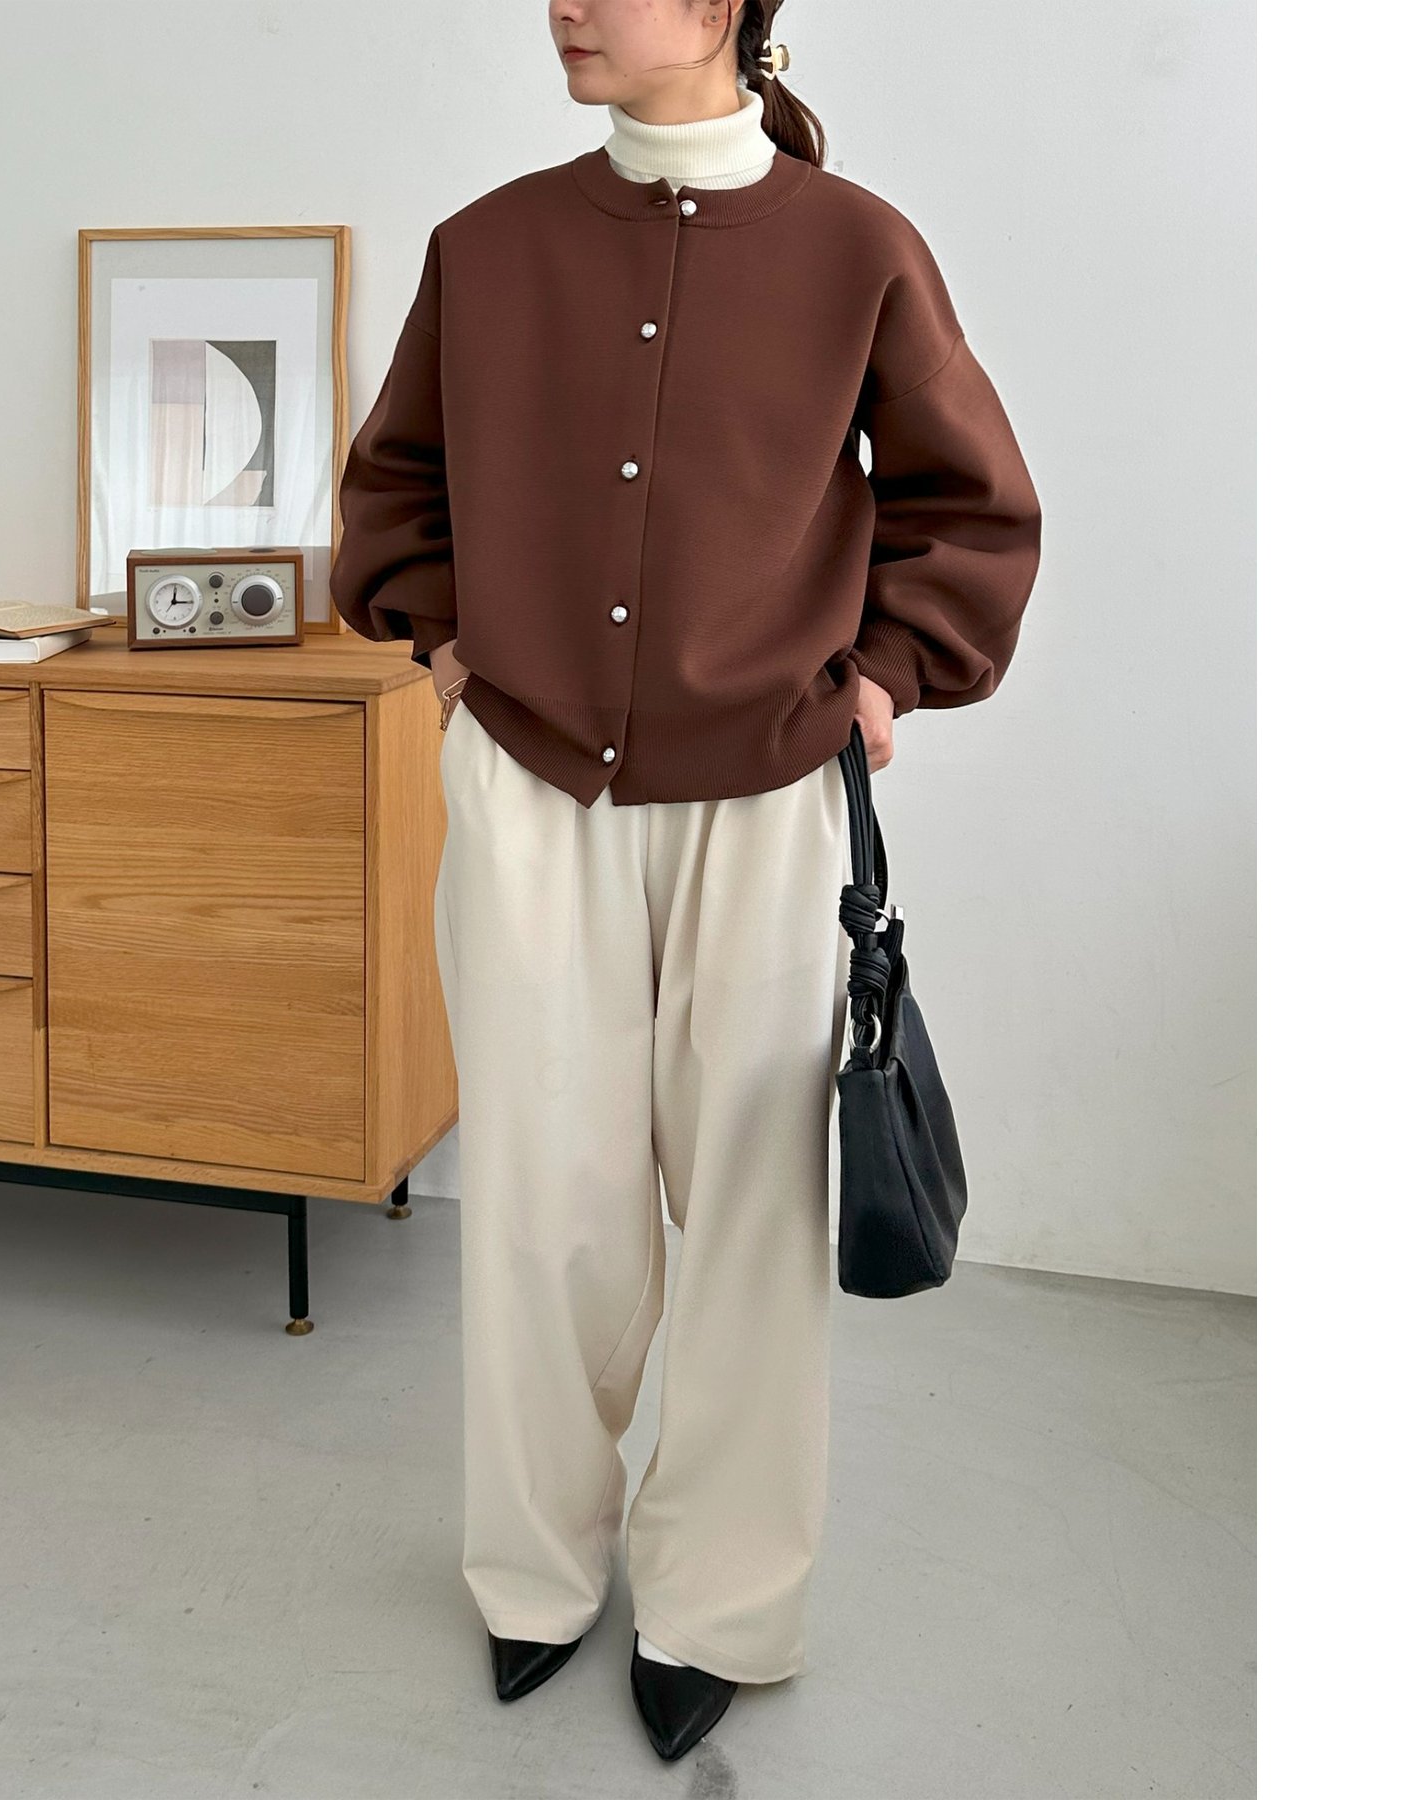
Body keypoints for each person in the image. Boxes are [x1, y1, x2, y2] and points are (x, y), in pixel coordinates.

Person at [330, 0, 1041, 1763]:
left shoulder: (858, 249)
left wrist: (886, 675)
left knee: (747, 1211)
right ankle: (536, 1574)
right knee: (542, 1205)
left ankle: (716, 1601)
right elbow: (397, 481)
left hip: (770, 793)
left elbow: (970, 503)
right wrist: (445, 646)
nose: (565, 5)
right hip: (530, 780)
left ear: (724, 6)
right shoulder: (488, 247)